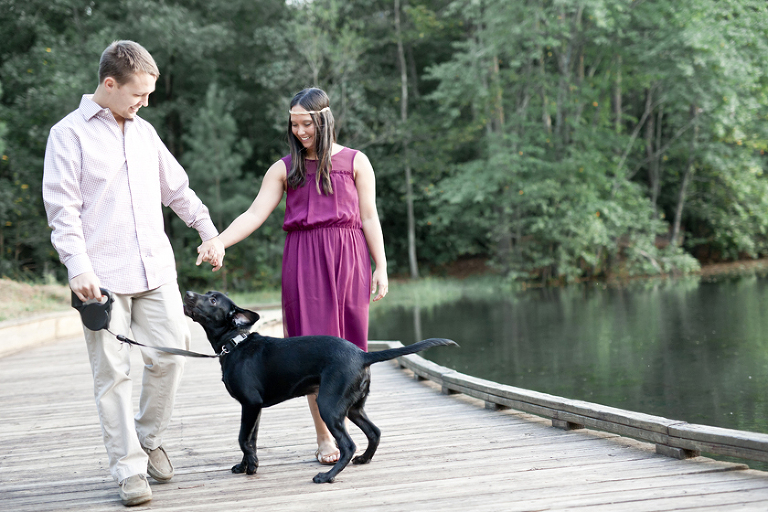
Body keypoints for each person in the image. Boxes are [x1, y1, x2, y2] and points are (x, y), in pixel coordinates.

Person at [42, 40, 224, 507]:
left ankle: (148, 437)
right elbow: (63, 210)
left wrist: (207, 231)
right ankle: (128, 469)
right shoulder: (68, 135)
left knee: (171, 354)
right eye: (138, 94)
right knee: (113, 374)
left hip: (156, 270)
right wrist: (77, 266)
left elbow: (177, 189)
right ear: (109, 84)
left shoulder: (144, 133)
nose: (145, 103)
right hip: (99, 279)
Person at [198, 87, 388, 465]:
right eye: (294, 124)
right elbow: (254, 214)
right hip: (304, 261)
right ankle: (325, 438)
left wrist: (380, 265)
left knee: (349, 351)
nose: (300, 131)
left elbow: (369, 217)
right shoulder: (285, 168)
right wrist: (219, 242)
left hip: (349, 259)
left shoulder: (355, 162)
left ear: (325, 120)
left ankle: (343, 425)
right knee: (309, 353)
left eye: (307, 124)